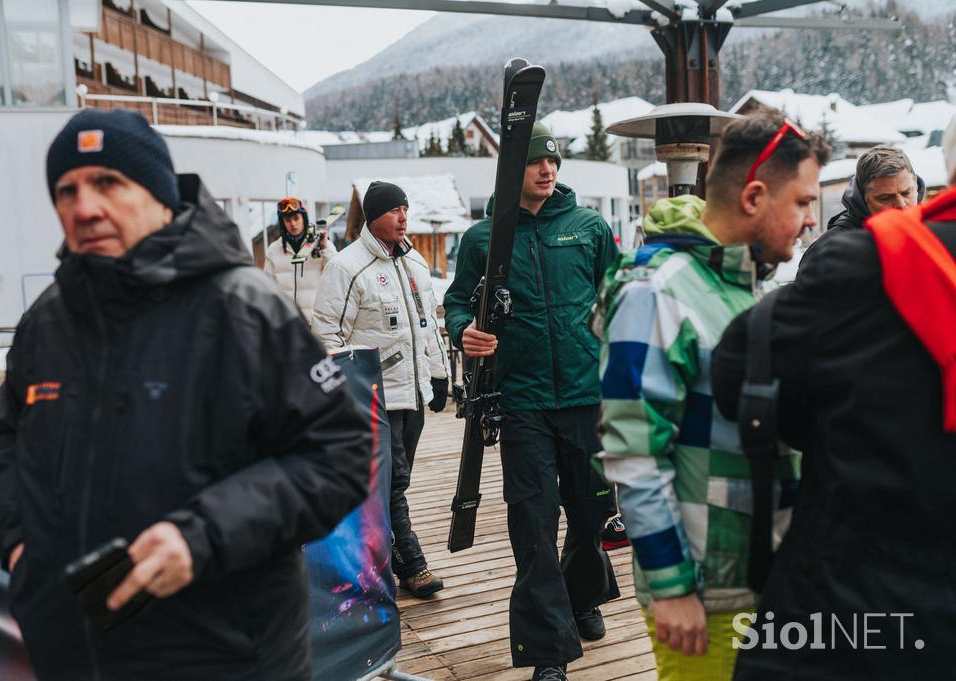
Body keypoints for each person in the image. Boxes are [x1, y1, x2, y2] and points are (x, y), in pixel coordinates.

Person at [0, 109, 370, 681]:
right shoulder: (46, 323)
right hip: (72, 652)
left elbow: (339, 455)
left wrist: (202, 535)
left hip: (223, 654)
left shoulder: (243, 310)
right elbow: (11, 441)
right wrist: (19, 545)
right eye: (67, 190)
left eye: (108, 183)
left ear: (161, 196)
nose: (84, 206)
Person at [711, 117, 956, 680]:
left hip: (858, 592)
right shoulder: (842, 254)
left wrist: (836, 428)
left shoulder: (856, 269)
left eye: (906, 195)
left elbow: (739, 374)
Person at [594, 113, 831, 681]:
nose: (810, 221)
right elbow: (634, 455)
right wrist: (672, 587)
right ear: (754, 196)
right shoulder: (655, 292)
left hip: (767, 575)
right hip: (706, 592)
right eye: (801, 203)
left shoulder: (760, 286)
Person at [444, 122, 620, 681]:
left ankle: (581, 592)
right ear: (511, 169)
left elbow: (617, 297)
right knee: (535, 524)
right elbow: (454, 304)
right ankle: (549, 652)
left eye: (554, 162)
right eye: (535, 162)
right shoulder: (483, 239)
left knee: (592, 515)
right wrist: (462, 332)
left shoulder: (590, 228)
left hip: (586, 395)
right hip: (520, 401)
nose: (548, 169)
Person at [312, 180, 450, 599]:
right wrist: (346, 389)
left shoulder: (416, 265)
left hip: (413, 394)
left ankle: (379, 557)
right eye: (394, 211)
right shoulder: (348, 267)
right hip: (374, 398)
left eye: (406, 209)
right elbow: (325, 333)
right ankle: (412, 564)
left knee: (394, 484)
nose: (403, 217)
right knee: (392, 483)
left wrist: (439, 374)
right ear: (373, 218)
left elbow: (426, 329)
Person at [263, 197, 337, 324]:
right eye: (287, 220)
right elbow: (267, 288)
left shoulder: (323, 245)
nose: (292, 224)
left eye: (296, 218)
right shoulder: (273, 250)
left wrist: (324, 246)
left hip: (316, 322)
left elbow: (336, 274)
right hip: (287, 323)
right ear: (282, 222)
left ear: (304, 218)